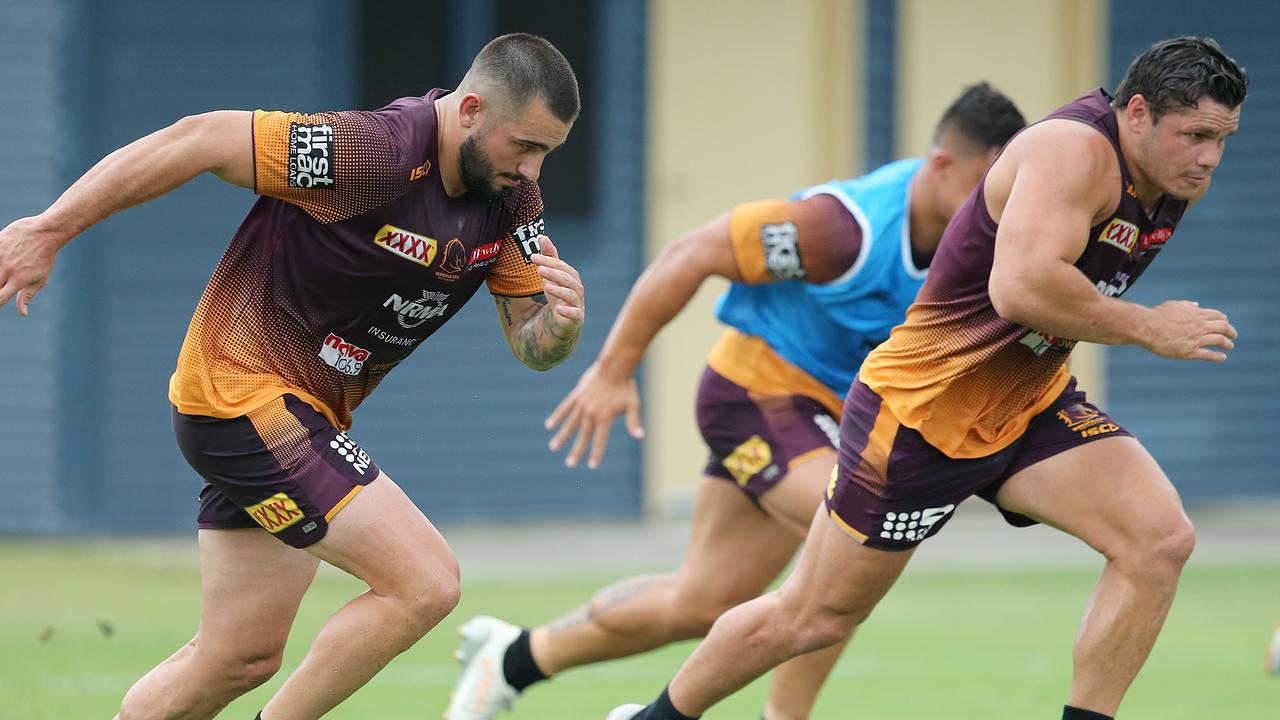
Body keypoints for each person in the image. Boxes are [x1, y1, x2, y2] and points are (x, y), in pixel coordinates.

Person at [607, 35, 1247, 720]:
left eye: (1223, 139)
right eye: (1196, 135)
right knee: (812, 617)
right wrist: (1151, 327)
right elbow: (1023, 289)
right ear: (1140, 112)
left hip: (1027, 402)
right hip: (921, 414)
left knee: (1159, 540)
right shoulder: (1074, 153)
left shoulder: (1165, 177)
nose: (1209, 157)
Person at [0, 33, 584, 720]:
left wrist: (562, 328)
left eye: (548, 152)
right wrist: (50, 229)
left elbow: (529, 340)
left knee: (239, 657)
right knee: (425, 583)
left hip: (296, 419)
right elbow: (202, 136)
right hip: (240, 395)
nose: (535, 171)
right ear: (472, 109)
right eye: (526, 146)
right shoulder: (374, 153)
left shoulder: (509, 202)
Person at [444, 84, 1024, 720]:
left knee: (701, 603)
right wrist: (613, 370)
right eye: (986, 184)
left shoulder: (986, 242)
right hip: (756, 395)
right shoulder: (838, 231)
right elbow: (690, 254)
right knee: (859, 533)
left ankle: (514, 657)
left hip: (831, 418)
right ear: (943, 166)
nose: (998, 203)